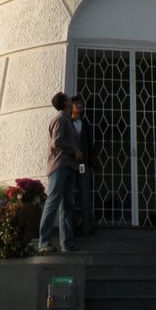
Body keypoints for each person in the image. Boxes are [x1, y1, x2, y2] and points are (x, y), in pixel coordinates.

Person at [37, 92, 83, 254]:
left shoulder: (67, 120)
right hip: (59, 166)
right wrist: (74, 150)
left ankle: (67, 243)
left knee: (67, 205)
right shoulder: (61, 119)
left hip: (69, 166)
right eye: (68, 99)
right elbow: (56, 142)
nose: (71, 100)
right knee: (54, 201)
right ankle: (44, 242)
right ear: (65, 103)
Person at [70, 95, 96, 236]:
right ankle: (71, 227)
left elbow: (89, 145)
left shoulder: (85, 124)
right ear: (71, 107)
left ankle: (87, 228)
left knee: (85, 193)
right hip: (69, 163)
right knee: (70, 195)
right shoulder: (67, 122)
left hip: (83, 163)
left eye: (81, 104)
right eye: (77, 104)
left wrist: (92, 164)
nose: (80, 106)